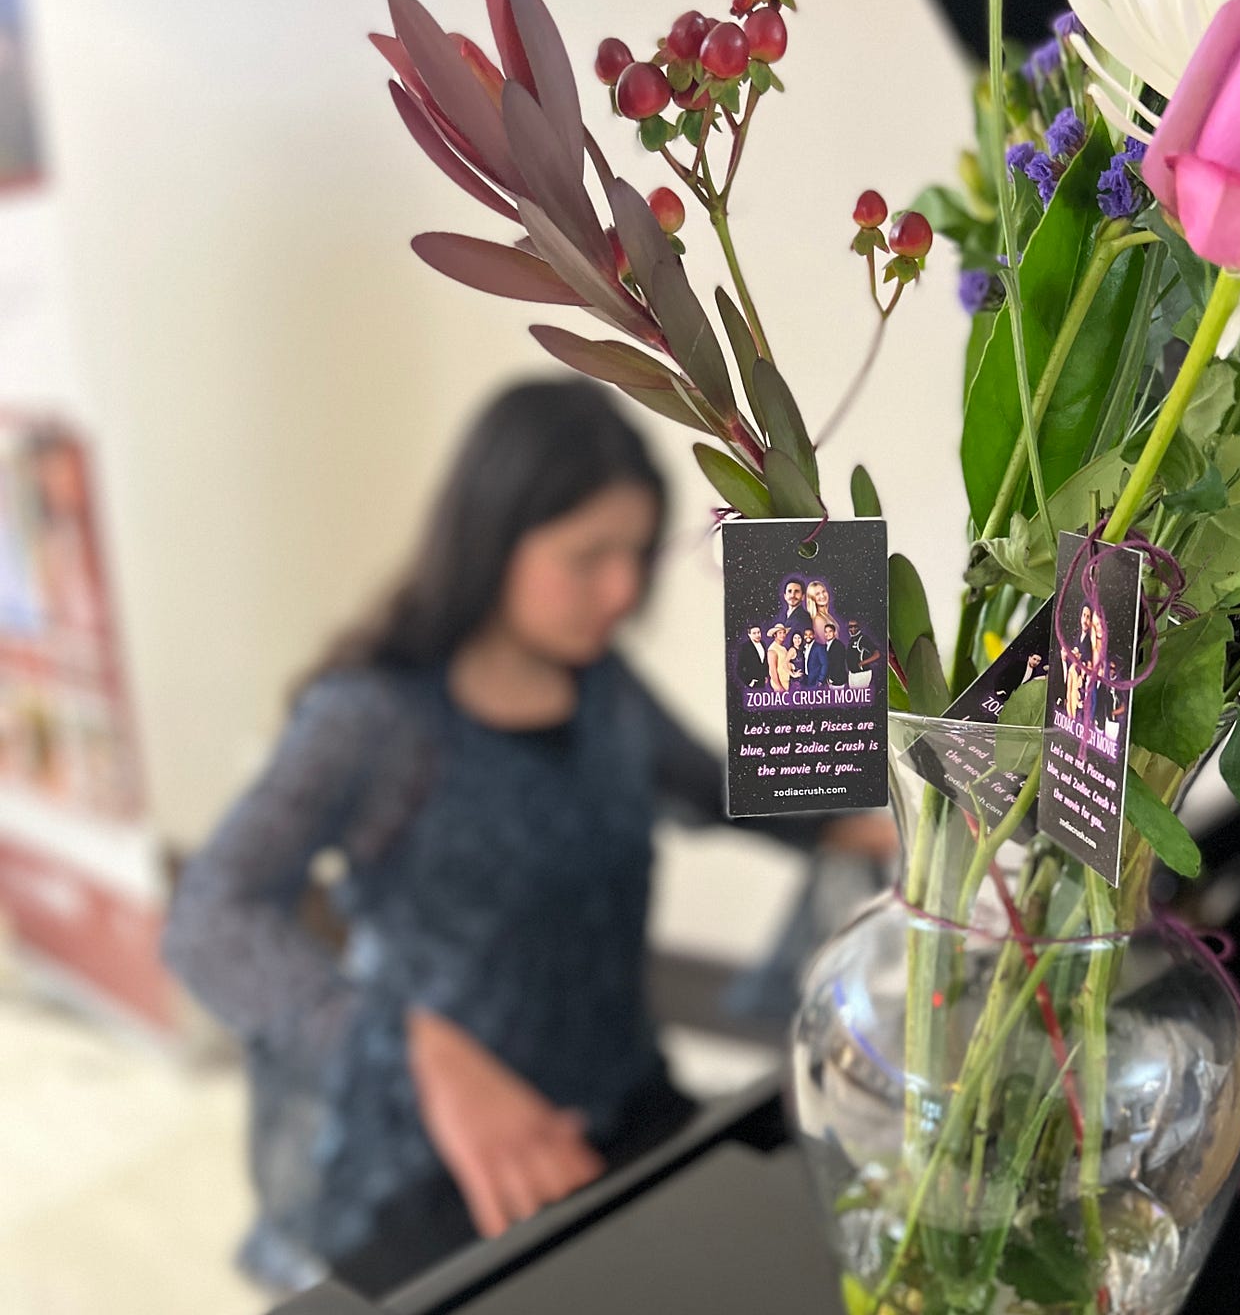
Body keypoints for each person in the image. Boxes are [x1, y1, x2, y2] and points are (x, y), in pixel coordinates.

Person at [162, 379, 895, 1298]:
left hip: (623, 1099)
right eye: (588, 557)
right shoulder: (373, 720)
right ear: (493, 536)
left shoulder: (605, 691)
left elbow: (721, 789)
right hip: (437, 1154)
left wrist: (899, 812)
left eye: (637, 556)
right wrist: (412, 1046)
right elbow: (208, 915)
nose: (623, 591)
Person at [846, 619, 882, 691]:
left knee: (859, 699)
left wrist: (863, 663)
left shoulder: (863, 639)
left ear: (859, 626)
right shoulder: (851, 639)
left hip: (861, 674)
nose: (853, 628)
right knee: (855, 699)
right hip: (852, 674)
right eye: (850, 626)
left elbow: (877, 654)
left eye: (855, 626)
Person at [766, 624, 791, 692]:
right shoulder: (772, 649)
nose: (782, 635)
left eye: (784, 633)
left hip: (787, 682)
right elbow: (772, 670)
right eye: (780, 633)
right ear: (775, 635)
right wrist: (779, 687)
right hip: (779, 684)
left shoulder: (783, 648)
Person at [823, 621, 848, 688]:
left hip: (838, 679)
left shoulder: (838, 645)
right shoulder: (825, 646)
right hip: (830, 680)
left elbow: (839, 663)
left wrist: (832, 678)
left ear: (834, 632)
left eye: (830, 631)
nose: (827, 634)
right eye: (826, 632)